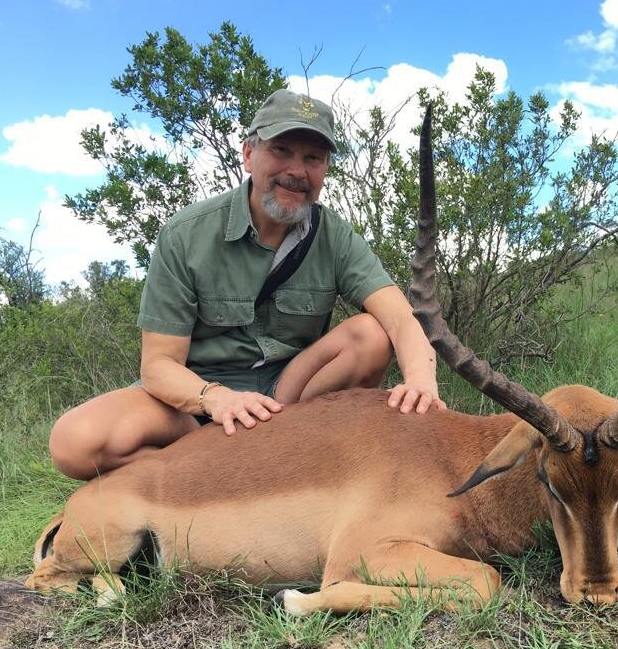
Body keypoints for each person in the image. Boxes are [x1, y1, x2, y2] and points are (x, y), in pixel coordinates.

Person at [50, 89, 443, 481]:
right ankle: (220, 470)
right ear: (249, 154)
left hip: (287, 402)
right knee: (75, 443)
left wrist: (422, 381)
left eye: (313, 158)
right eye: (282, 150)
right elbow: (158, 366)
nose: (297, 171)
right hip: (194, 404)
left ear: (325, 169)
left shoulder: (334, 236)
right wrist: (215, 399)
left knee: (371, 335)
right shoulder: (186, 234)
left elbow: (401, 317)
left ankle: (284, 460)